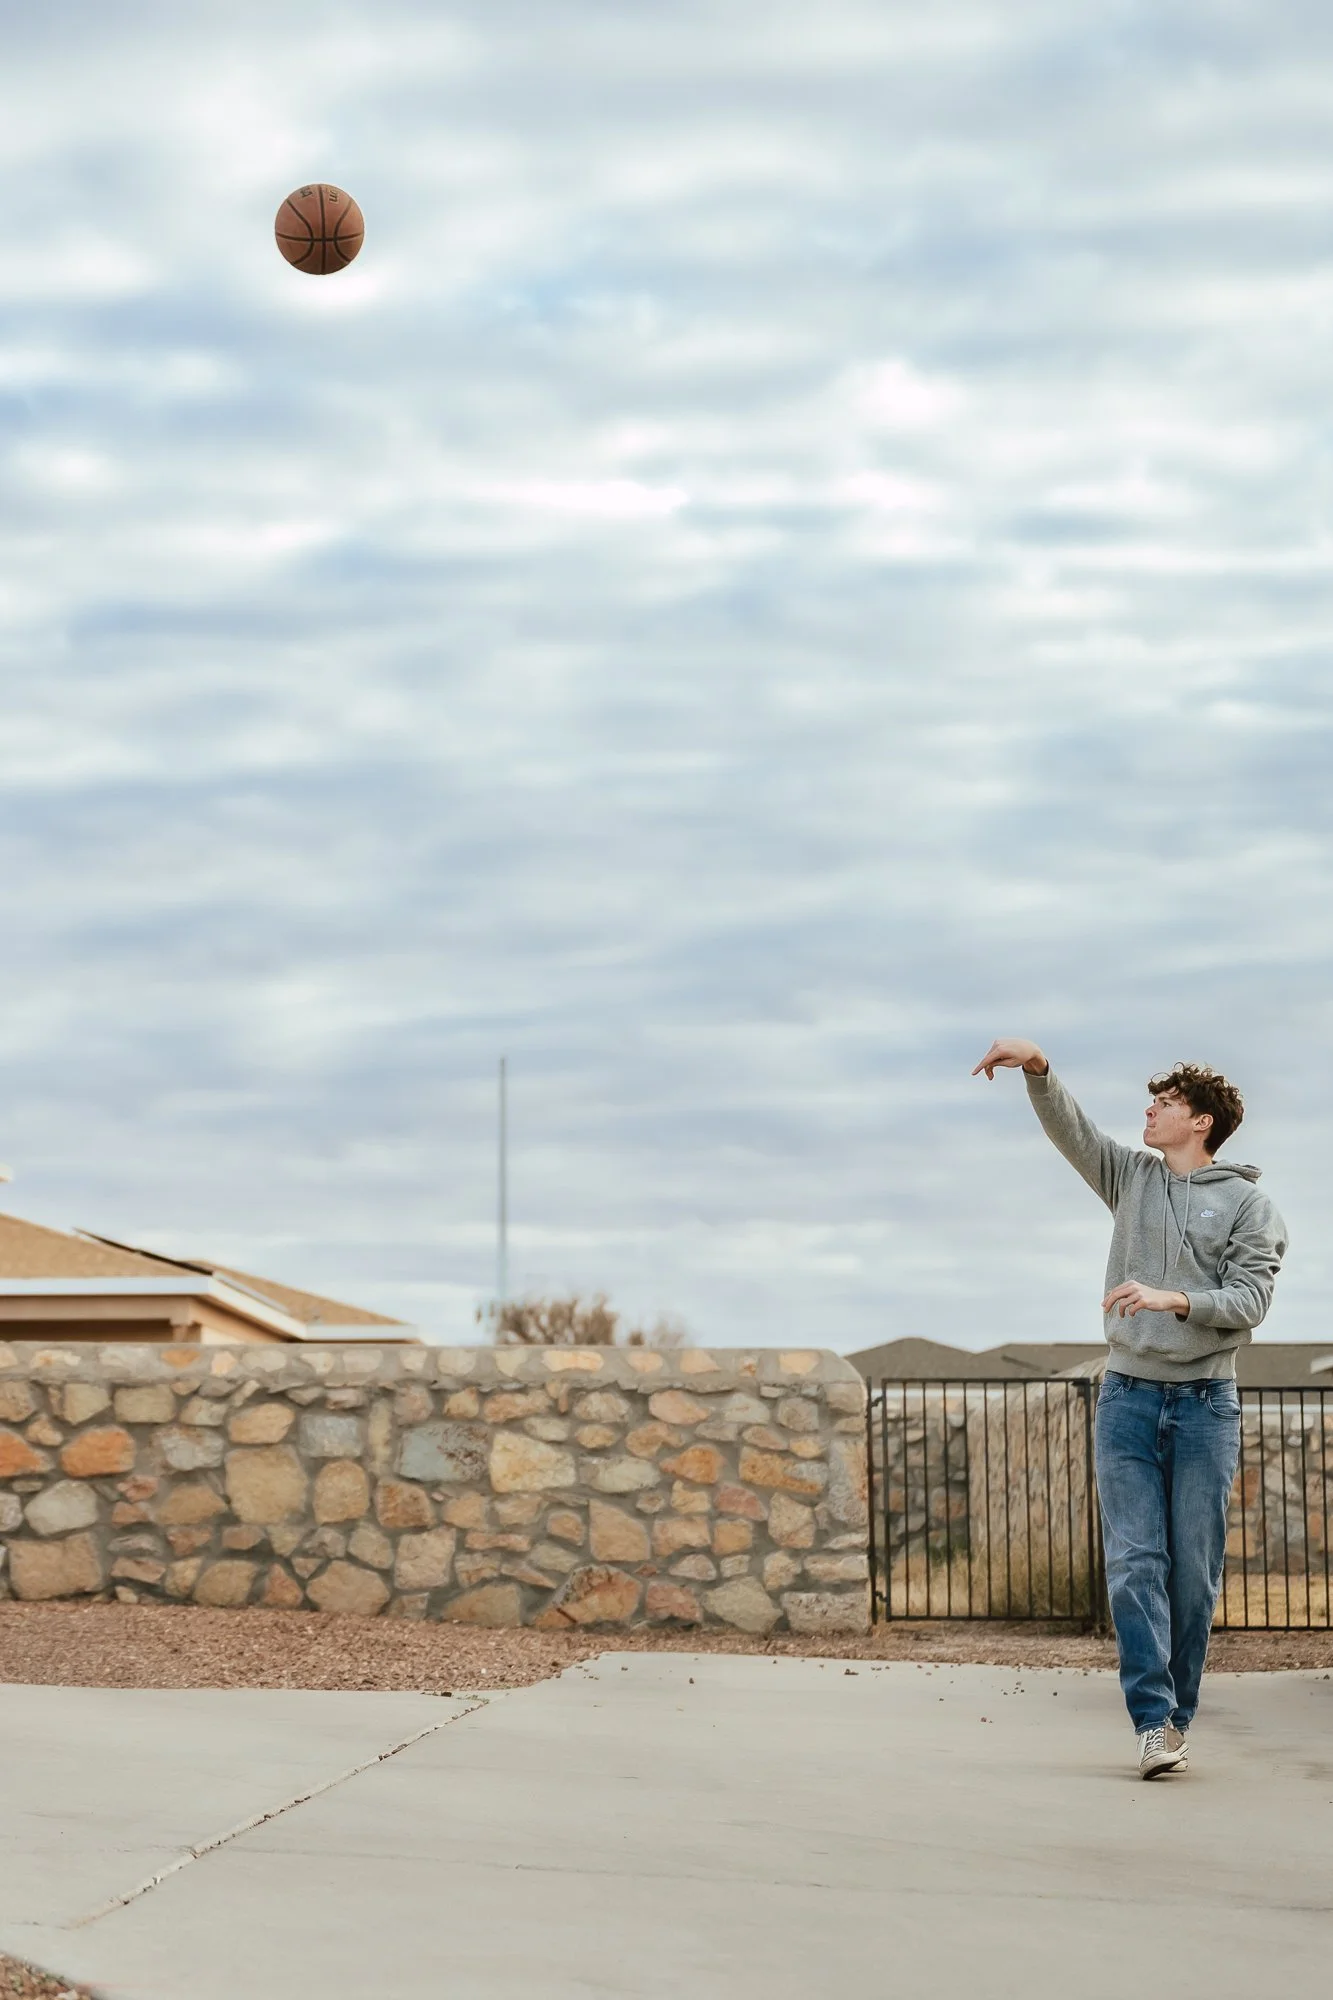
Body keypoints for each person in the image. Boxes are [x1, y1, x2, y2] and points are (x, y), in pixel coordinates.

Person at [972, 1039, 1287, 1779]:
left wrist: (1168, 1298)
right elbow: (1073, 1132)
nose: (1150, 1110)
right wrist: (1038, 1069)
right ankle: (1152, 1721)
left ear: (1201, 1122)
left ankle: (1179, 1714)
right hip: (1126, 1400)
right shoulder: (1131, 1178)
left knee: (1192, 1573)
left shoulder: (1248, 1206)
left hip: (1205, 1406)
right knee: (1133, 1562)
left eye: (1166, 1103)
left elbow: (1250, 1301)